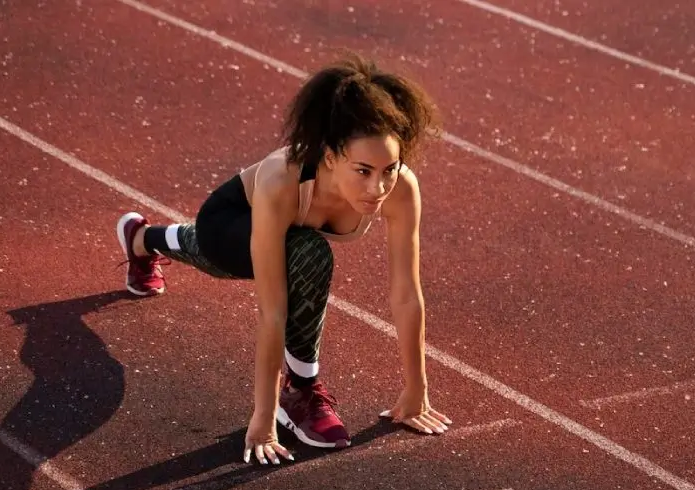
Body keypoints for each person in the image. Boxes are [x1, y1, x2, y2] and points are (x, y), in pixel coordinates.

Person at [111, 54, 452, 465]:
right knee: (304, 253)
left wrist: (416, 390)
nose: (377, 186)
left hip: (285, 233)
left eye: (389, 169)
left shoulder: (400, 189)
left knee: (300, 249)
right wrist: (262, 416)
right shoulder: (281, 179)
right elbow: (272, 311)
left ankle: (142, 240)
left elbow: (406, 294)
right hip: (230, 221)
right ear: (330, 157)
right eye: (362, 171)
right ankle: (300, 393)